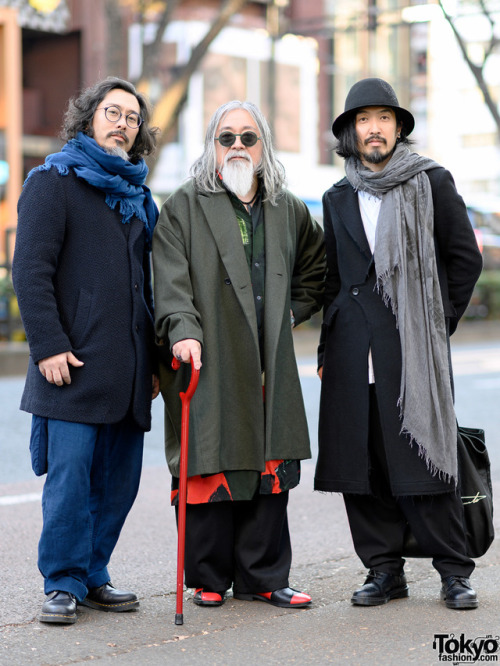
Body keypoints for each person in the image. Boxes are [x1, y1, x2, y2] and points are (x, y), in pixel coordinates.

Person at [314, 78, 483, 610]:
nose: (374, 128)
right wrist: (325, 347)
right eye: (363, 120)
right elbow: (334, 279)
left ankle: (454, 571)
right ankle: (383, 570)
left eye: (384, 118)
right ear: (350, 131)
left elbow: (464, 258)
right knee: (360, 464)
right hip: (350, 350)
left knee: (424, 457)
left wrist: (438, 324)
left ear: (398, 127)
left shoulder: (431, 181)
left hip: (414, 348)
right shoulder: (337, 195)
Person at [153, 100, 325, 609]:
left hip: (269, 360)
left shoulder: (288, 207)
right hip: (208, 354)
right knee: (209, 461)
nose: (237, 147)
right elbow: (170, 280)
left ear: (263, 147)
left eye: (248, 138)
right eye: (225, 137)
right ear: (211, 146)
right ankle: (209, 577)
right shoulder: (182, 205)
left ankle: (265, 576)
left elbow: (316, 268)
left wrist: (290, 314)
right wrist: (182, 330)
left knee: (269, 466)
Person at [12, 77, 160, 624]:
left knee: (118, 484)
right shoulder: (54, 180)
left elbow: (148, 288)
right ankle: (63, 582)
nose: (122, 123)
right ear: (89, 118)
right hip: (69, 368)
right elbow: (30, 271)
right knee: (70, 482)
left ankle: (94, 574)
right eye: (111, 112)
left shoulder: (141, 197)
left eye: (131, 117)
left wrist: (156, 364)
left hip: (129, 370)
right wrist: (48, 345)